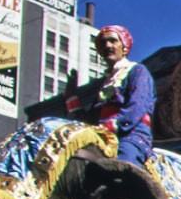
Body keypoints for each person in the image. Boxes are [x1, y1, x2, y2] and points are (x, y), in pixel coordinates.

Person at [65, 25, 154, 166]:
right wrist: (71, 97)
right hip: (102, 136)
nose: (107, 45)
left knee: (121, 168)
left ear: (124, 47)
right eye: (103, 43)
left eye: (113, 41)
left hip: (130, 136)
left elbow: (137, 107)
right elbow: (90, 120)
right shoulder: (105, 84)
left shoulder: (137, 71)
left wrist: (109, 126)